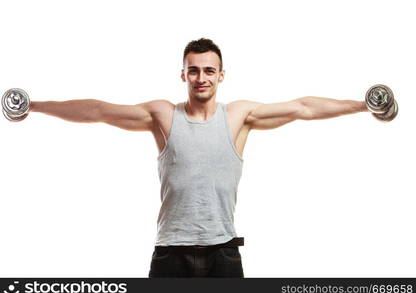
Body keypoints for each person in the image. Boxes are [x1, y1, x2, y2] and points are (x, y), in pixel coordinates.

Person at [29, 38, 369, 277]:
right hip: (170, 252)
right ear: (183, 75)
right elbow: (98, 110)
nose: (201, 77)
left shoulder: (238, 116)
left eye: (209, 70)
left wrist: (364, 105)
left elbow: (303, 108)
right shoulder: (163, 115)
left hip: (223, 251)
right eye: (193, 70)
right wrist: (32, 106)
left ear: (221, 75)